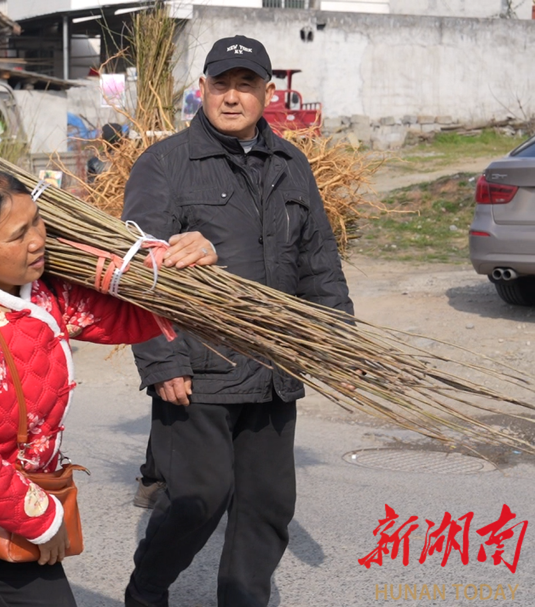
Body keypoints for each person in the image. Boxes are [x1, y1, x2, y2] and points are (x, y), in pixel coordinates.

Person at [0, 167, 217, 607]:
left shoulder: (44, 298)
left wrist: (181, 272)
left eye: (37, 222)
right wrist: (41, 518)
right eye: (18, 235)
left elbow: (129, 317)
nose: (37, 240)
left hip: (15, 515)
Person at [120, 36, 353, 607]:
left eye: (245, 85)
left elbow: (318, 258)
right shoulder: (166, 165)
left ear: (266, 93)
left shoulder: (292, 164)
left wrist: (338, 338)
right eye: (220, 85)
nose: (231, 97)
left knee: (267, 504)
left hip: (275, 365)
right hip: (199, 367)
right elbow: (136, 271)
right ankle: (148, 587)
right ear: (201, 90)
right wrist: (160, 361)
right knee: (200, 495)